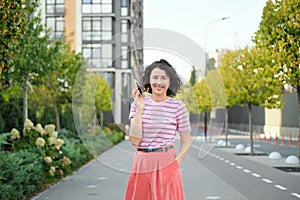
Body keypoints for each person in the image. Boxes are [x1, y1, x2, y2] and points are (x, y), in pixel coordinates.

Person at [124, 59, 191, 200]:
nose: (158, 82)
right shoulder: (138, 104)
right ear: (148, 81)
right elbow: (134, 140)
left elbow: (186, 142)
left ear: (170, 81)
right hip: (141, 162)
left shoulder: (178, 107)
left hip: (166, 160)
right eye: (155, 77)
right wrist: (140, 109)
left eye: (163, 78)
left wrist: (175, 163)